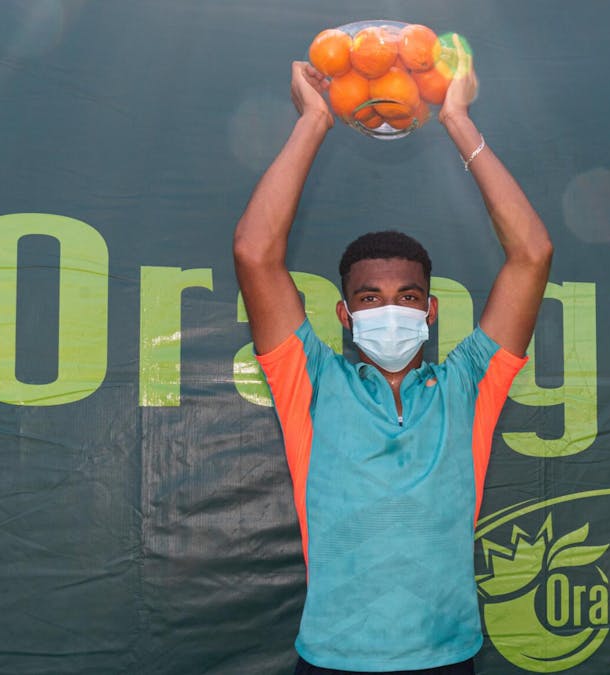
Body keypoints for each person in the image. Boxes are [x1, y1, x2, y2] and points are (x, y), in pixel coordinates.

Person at [232, 46, 552, 675]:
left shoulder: (467, 387)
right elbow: (254, 253)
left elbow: (532, 255)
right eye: (370, 299)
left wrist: (457, 118)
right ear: (345, 317)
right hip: (332, 662)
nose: (391, 311)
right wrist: (312, 121)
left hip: (452, 657)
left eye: (407, 297)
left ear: (430, 311)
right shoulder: (312, 384)